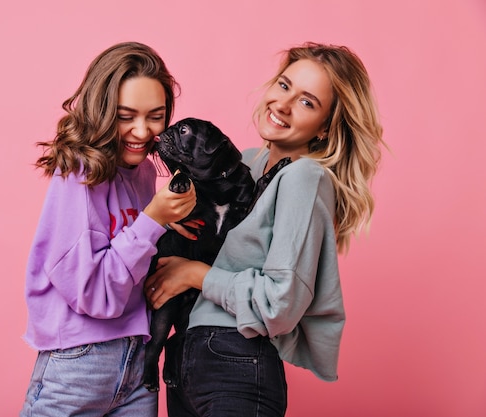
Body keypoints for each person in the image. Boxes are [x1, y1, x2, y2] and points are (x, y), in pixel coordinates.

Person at [146, 42, 386, 417]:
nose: (284, 105)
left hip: (234, 360)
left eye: (308, 102)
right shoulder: (245, 164)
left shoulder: (304, 177)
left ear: (325, 127)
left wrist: (194, 274)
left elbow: (281, 304)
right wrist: (171, 217)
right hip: (186, 361)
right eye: (285, 85)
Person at [19, 41, 196, 417]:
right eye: (125, 115)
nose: (141, 131)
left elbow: (130, 259)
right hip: (78, 365)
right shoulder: (79, 175)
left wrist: (164, 229)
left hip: (139, 364)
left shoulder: (145, 172)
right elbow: (95, 295)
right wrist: (152, 221)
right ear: (101, 111)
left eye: (156, 116)